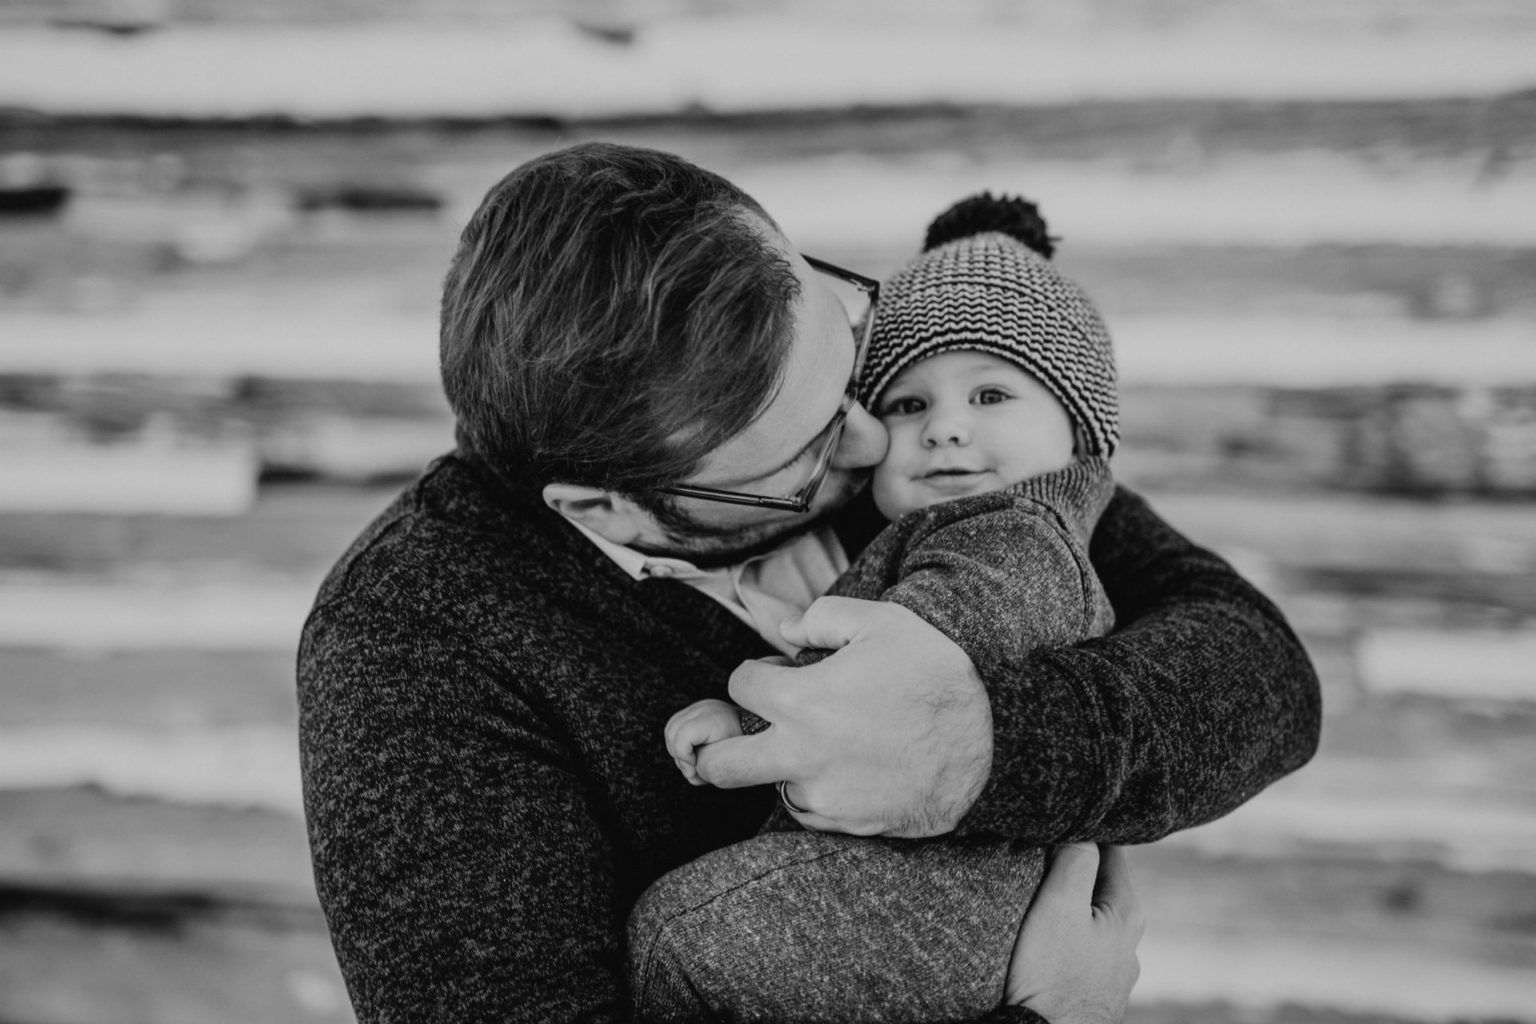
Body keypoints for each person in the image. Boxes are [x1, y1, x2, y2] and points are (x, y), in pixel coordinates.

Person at [296, 142, 1322, 1024]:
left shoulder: (903, 421)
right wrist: (1048, 1016)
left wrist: (979, 747)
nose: (879, 436)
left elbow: (1262, 675)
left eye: (849, 335)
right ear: (601, 507)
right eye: (810, 452)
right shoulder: (412, 654)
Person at [638, 195, 1148, 1022]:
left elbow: (915, 666)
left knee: (682, 943)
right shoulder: (948, 522)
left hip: (944, 888)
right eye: (909, 405)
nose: (944, 430)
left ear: (1081, 431)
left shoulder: (1014, 537)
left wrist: (753, 726)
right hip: (940, 890)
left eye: (990, 396)